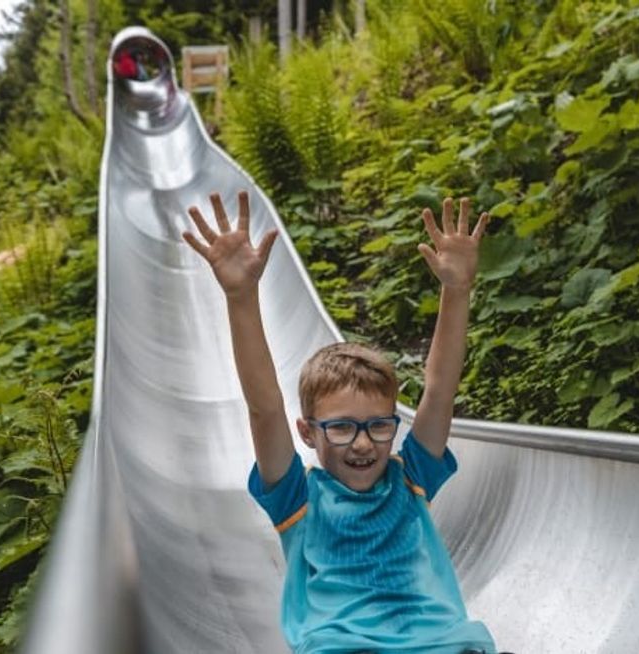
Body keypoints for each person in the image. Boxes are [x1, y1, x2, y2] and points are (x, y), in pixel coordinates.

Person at [183, 191, 503, 654]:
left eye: (378, 426)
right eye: (341, 427)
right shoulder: (297, 497)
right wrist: (241, 298)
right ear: (308, 432)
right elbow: (264, 407)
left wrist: (456, 291)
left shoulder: (411, 478)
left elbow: (439, 388)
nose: (363, 444)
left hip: (440, 645)